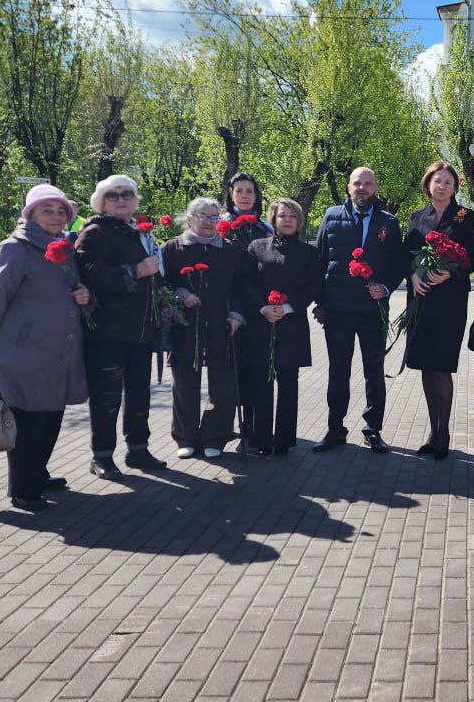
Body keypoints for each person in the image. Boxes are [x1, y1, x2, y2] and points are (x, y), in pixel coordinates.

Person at [0, 185, 90, 511]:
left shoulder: (64, 250)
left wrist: (85, 297)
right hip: (23, 354)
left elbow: (73, 293)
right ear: (31, 214)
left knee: (50, 420)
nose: (55, 216)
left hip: (57, 354)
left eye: (60, 211)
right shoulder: (15, 249)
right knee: (26, 425)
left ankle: (37, 472)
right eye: (47, 210)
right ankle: (24, 490)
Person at [76, 174, 167, 479]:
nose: (120, 199)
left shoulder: (138, 232)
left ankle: (138, 449)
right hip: (109, 331)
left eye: (126, 194)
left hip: (141, 330)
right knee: (107, 396)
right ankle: (101, 455)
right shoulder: (95, 233)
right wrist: (136, 270)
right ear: (102, 201)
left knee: (140, 394)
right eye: (112, 195)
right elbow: (92, 276)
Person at [312, 167, 407, 453]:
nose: (362, 188)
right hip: (338, 310)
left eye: (368, 184)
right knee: (338, 371)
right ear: (348, 187)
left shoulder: (389, 222)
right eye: (357, 183)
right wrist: (321, 303)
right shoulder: (331, 217)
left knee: (374, 371)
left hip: (372, 310)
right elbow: (319, 261)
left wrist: (386, 287)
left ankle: (373, 430)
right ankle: (334, 429)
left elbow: (397, 265)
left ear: (376, 187)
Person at [402, 162, 474, 459]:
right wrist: (411, 276)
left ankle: (444, 431)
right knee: (425, 364)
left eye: (449, 182)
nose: (443, 186)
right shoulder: (417, 216)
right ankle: (433, 430)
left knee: (441, 366)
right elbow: (406, 253)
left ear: (455, 187)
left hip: (449, 302)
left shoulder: (465, 217)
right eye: (438, 181)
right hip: (422, 300)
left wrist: (451, 273)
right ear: (428, 185)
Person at [160, 197, 244, 461]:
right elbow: (162, 285)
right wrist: (181, 294)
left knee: (223, 383)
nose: (209, 222)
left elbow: (242, 288)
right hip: (186, 326)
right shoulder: (172, 248)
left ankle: (215, 436)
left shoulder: (230, 250)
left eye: (214, 216)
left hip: (221, 325)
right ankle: (185, 437)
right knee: (185, 382)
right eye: (202, 216)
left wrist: (236, 315)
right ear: (189, 218)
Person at [240, 199, 322, 457]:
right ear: (273, 219)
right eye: (282, 215)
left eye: (292, 216)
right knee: (261, 383)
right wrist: (262, 307)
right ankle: (260, 438)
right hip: (260, 323)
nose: (287, 220)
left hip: (291, 325)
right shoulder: (256, 247)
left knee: (288, 383)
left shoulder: (308, 253)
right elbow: (246, 282)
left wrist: (288, 307)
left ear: (299, 221)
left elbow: (312, 287)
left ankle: (284, 440)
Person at [220, 172, 274, 249]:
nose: (244, 196)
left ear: (255, 195)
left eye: (249, 191)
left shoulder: (266, 228)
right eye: (239, 191)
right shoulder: (220, 223)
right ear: (232, 195)